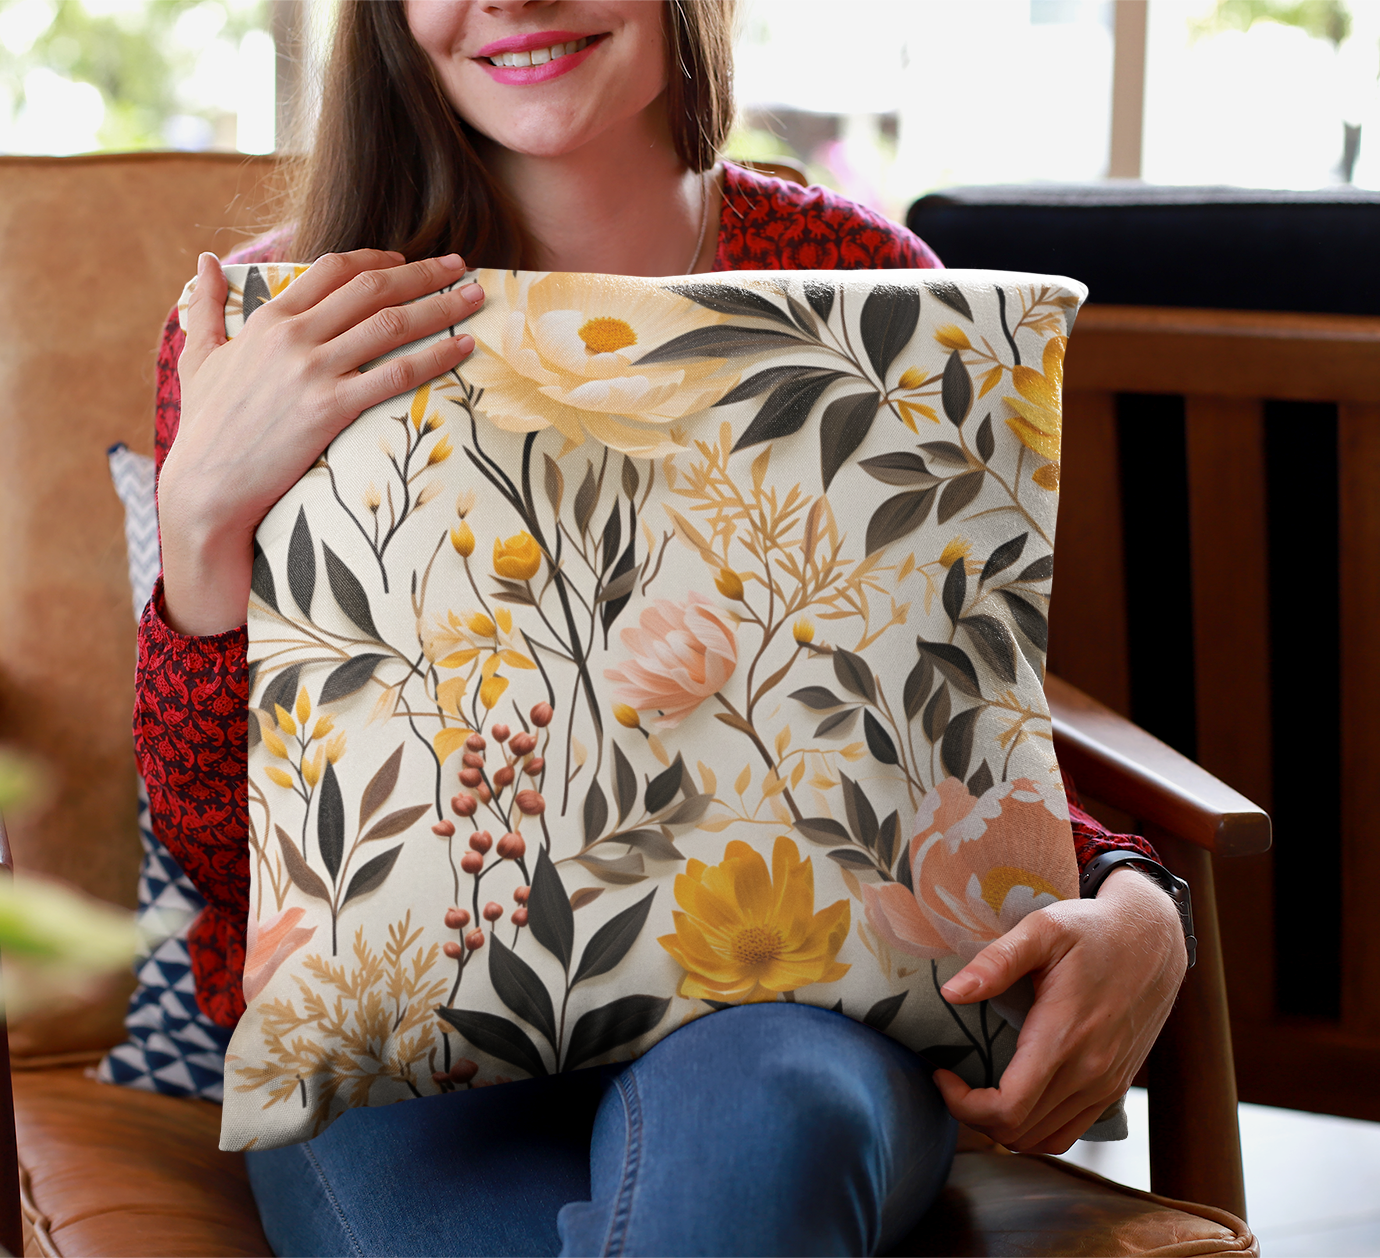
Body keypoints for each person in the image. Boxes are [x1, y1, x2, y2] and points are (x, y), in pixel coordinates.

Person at [137, 3, 1190, 1254]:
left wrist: (1134, 893)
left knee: (767, 1125)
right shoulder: (284, 326)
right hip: (393, 1060)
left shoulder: (876, 289)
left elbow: (943, 721)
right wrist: (201, 522)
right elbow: (224, 859)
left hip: (791, 1021)